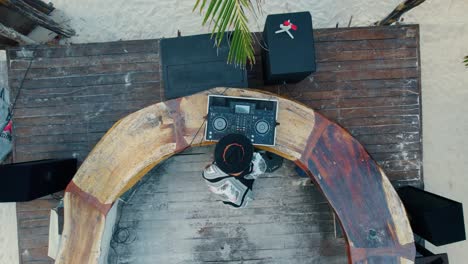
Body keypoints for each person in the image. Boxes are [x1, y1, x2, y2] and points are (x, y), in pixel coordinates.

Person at [202, 134, 267, 208]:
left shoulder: (209, 173)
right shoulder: (250, 170)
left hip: (221, 188)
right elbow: (260, 167)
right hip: (239, 198)